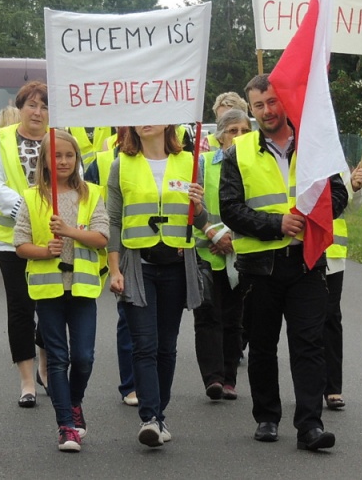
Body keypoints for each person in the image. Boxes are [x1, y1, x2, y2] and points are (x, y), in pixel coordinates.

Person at [220, 74, 348, 451]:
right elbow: (230, 209)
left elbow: (337, 194)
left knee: (309, 343)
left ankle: (309, 425)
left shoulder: (314, 145)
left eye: (272, 102)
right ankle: (267, 417)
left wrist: (312, 219)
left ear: (285, 101)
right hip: (260, 267)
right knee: (262, 345)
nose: (267, 111)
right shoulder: (238, 152)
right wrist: (275, 224)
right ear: (250, 109)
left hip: (306, 262)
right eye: (258, 105)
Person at [107, 124, 207, 448]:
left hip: (176, 267)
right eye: (139, 116)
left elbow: (200, 218)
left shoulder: (191, 162)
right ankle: (149, 418)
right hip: (139, 267)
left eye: (153, 114)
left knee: (167, 346)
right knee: (144, 344)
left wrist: (201, 206)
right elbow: (113, 220)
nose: (146, 121)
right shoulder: (121, 163)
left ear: (168, 121)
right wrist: (113, 268)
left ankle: (160, 414)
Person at [14, 131, 109, 452]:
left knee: (83, 357)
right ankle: (66, 424)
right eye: (56, 156)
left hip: (83, 288)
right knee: (58, 358)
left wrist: (69, 231)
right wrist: (44, 251)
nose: (63, 161)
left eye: (69, 155)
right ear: (45, 161)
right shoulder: (32, 197)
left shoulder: (92, 194)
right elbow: (20, 244)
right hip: (48, 290)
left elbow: (102, 237)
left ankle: (75, 401)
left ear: (77, 159)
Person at [0, 81, 51, 407]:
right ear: (20, 107)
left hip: (53, 237)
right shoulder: (1, 138)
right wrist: (27, 211)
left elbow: (75, 176)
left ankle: (45, 363)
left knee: (49, 305)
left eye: (43, 106)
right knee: (21, 308)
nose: (37, 112)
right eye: (31, 105)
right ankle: (27, 380)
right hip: (11, 239)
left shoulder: (60, 137)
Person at [192, 108, 250, 401]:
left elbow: (258, 211)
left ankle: (229, 378)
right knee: (207, 315)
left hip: (238, 255)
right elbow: (192, 206)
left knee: (233, 318)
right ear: (220, 136)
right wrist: (215, 234)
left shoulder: (254, 167)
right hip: (205, 252)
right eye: (233, 131)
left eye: (244, 131)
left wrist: (233, 241)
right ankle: (212, 378)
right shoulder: (203, 163)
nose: (239, 136)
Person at [84, 128, 138, 408]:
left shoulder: (167, 158)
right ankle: (130, 384)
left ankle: (150, 384)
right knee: (129, 318)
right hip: (118, 249)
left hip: (159, 249)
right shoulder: (103, 162)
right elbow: (85, 200)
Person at [322, 165, 362, 410]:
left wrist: (355, 187)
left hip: (331, 256)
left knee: (330, 318)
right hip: (294, 250)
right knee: (302, 324)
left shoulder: (335, 162)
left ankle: (332, 388)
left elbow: (350, 205)